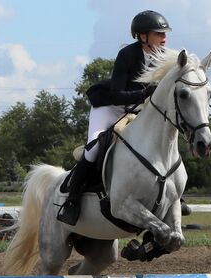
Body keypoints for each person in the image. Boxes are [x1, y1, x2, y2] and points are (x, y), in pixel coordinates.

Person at [58, 10, 179, 225]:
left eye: (164, 33)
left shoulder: (165, 56)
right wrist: (143, 94)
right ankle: (72, 201)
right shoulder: (127, 55)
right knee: (94, 149)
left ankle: (175, 196)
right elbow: (115, 95)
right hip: (109, 107)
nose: (164, 37)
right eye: (158, 33)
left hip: (137, 110)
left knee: (161, 143)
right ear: (143, 36)